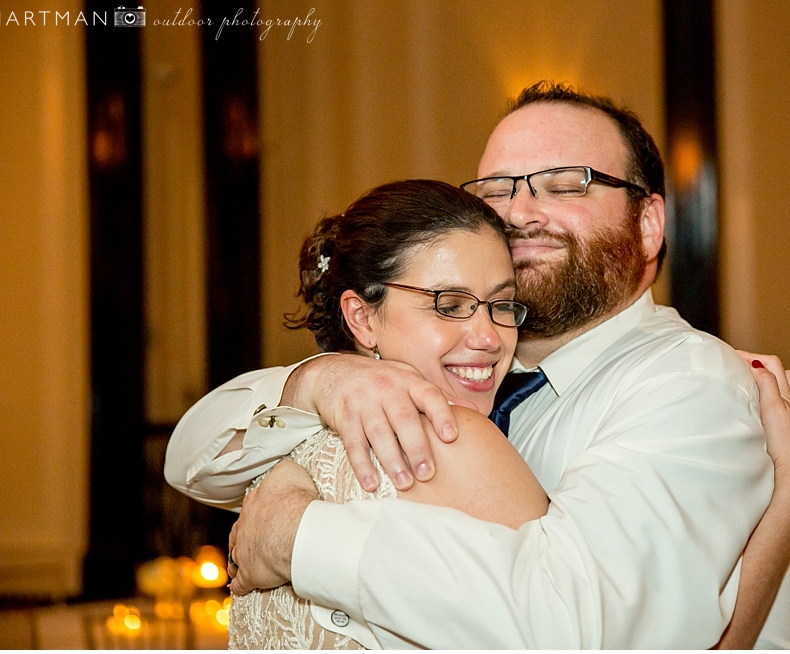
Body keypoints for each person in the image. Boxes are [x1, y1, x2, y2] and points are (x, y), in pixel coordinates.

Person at [166, 82, 790, 648]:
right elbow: (193, 460)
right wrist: (320, 378)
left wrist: (298, 535)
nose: (517, 212)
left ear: (650, 223)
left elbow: (584, 628)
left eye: (567, 183)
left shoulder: (686, 383)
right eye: (496, 189)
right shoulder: (451, 380)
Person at [229, 180, 550, 648]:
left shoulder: (279, 454)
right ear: (362, 318)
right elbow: (567, 628)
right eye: (450, 305)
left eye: (500, 305)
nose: (489, 337)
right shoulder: (457, 438)